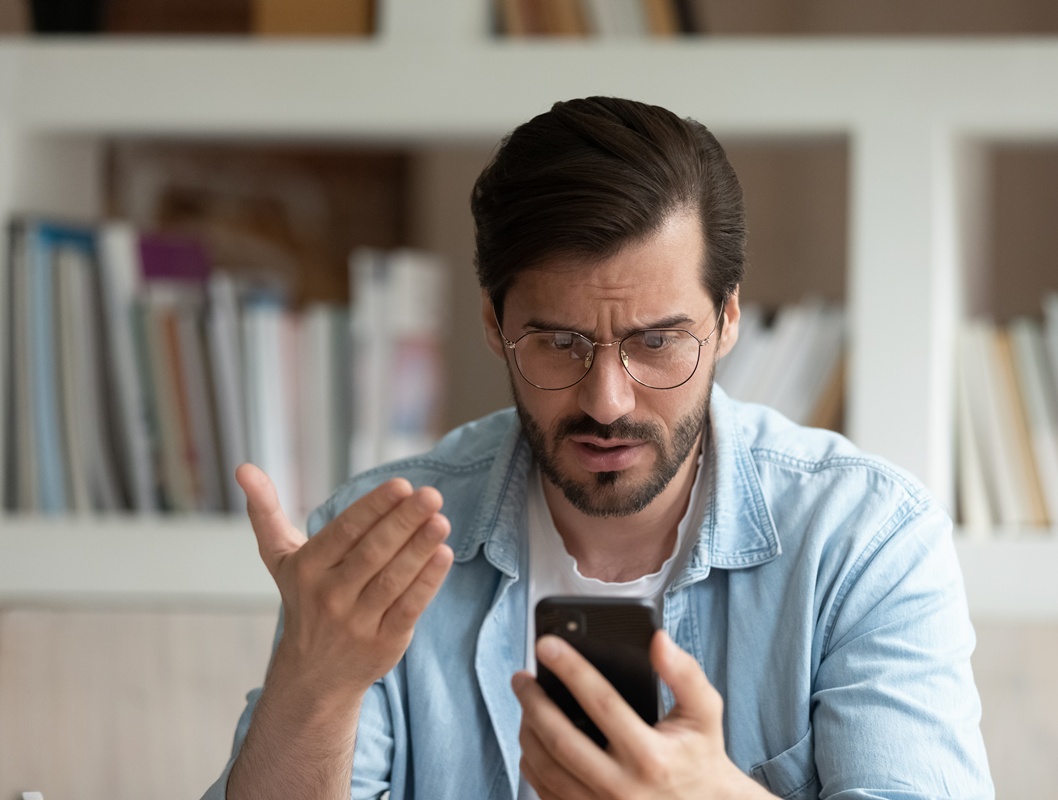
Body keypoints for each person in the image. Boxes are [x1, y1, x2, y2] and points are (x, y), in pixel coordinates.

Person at [203, 96, 993, 800]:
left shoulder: (866, 539)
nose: (606, 401)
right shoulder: (380, 536)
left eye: (656, 342)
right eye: (558, 342)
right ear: (494, 326)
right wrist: (316, 686)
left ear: (727, 320)